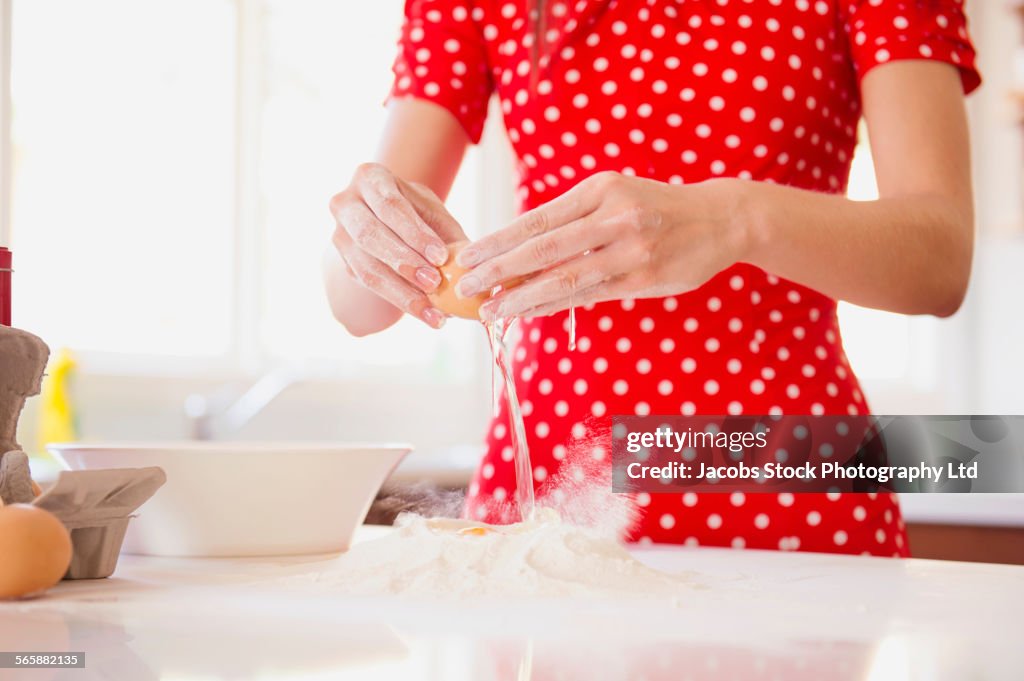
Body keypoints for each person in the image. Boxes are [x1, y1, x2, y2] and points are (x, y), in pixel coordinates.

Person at [325, 0, 980, 556]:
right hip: (546, 495)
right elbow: (359, 306)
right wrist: (367, 229)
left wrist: (738, 218)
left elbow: (939, 261)